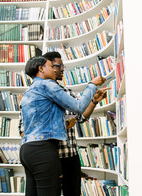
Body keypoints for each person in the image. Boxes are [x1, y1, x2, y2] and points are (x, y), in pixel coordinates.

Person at [19, 52, 107, 196]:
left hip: (27, 150)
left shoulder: (29, 92)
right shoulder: (47, 85)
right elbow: (78, 107)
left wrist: (65, 123)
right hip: (44, 150)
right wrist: (91, 85)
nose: (56, 70)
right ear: (41, 69)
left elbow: (37, 124)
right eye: (51, 66)